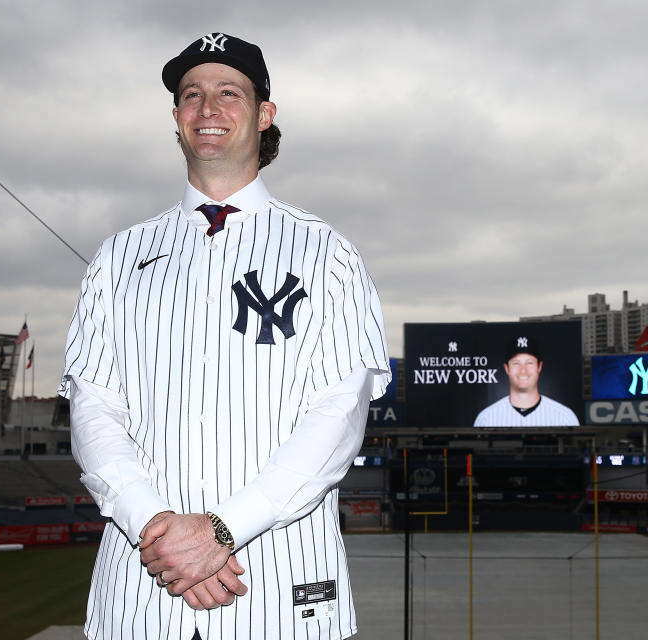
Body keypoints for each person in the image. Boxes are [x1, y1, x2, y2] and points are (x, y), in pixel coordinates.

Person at [59, 32, 390, 640]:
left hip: (281, 589)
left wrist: (220, 530)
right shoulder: (118, 257)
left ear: (264, 115)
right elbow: (94, 409)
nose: (207, 109)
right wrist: (155, 526)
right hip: (143, 585)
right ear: (177, 119)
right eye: (191, 94)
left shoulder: (328, 254)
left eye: (228, 92)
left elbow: (338, 414)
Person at [473, 335, 579, 427]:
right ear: (506, 368)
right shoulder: (486, 418)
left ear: (539, 367)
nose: (523, 370)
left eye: (529, 363)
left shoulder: (565, 416)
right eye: (516, 363)